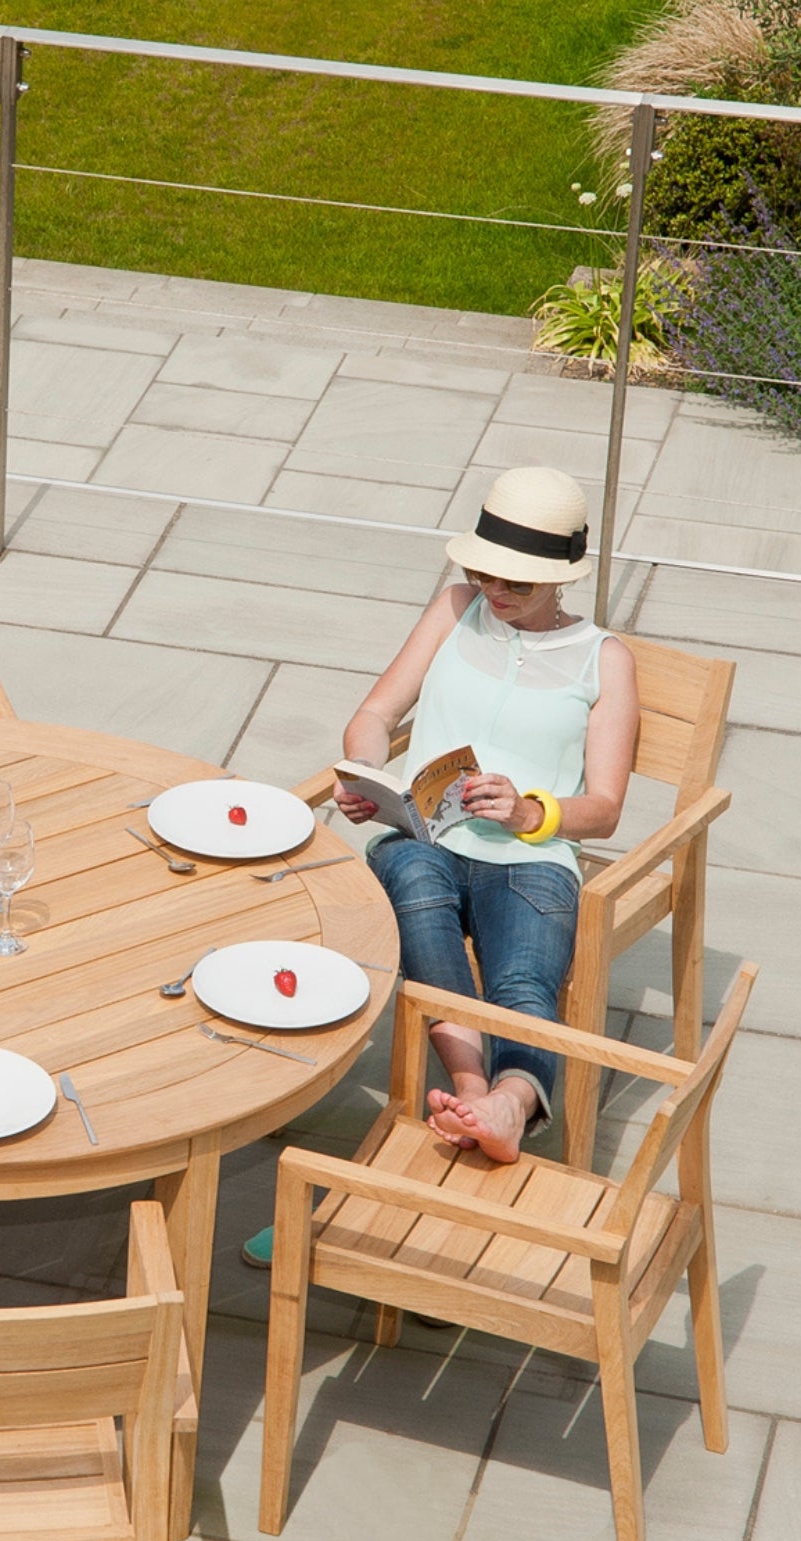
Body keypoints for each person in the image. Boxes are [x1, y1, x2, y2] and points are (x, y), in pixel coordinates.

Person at [244, 466, 639, 1269]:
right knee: (418, 896)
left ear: (559, 576)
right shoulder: (455, 609)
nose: (493, 587)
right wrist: (367, 777)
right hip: (421, 837)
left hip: (530, 856)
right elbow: (376, 715)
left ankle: (506, 1103)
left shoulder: (605, 660)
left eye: (516, 579)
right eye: (485, 569)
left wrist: (534, 811)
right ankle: (478, 1096)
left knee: (524, 983)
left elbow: (606, 807)